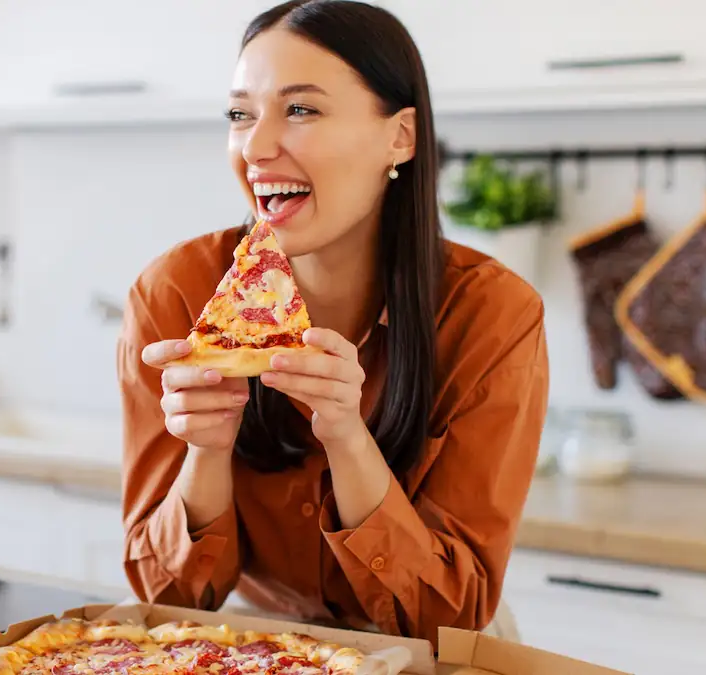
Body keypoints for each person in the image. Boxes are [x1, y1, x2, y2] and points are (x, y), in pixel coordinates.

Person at [116, 0, 549, 646]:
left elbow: (451, 617)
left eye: (301, 109)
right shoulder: (174, 294)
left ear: (400, 137)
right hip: (253, 645)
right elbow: (167, 600)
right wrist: (205, 450)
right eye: (241, 114)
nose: (256, 147)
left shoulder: (493, 314)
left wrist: (347, 437)